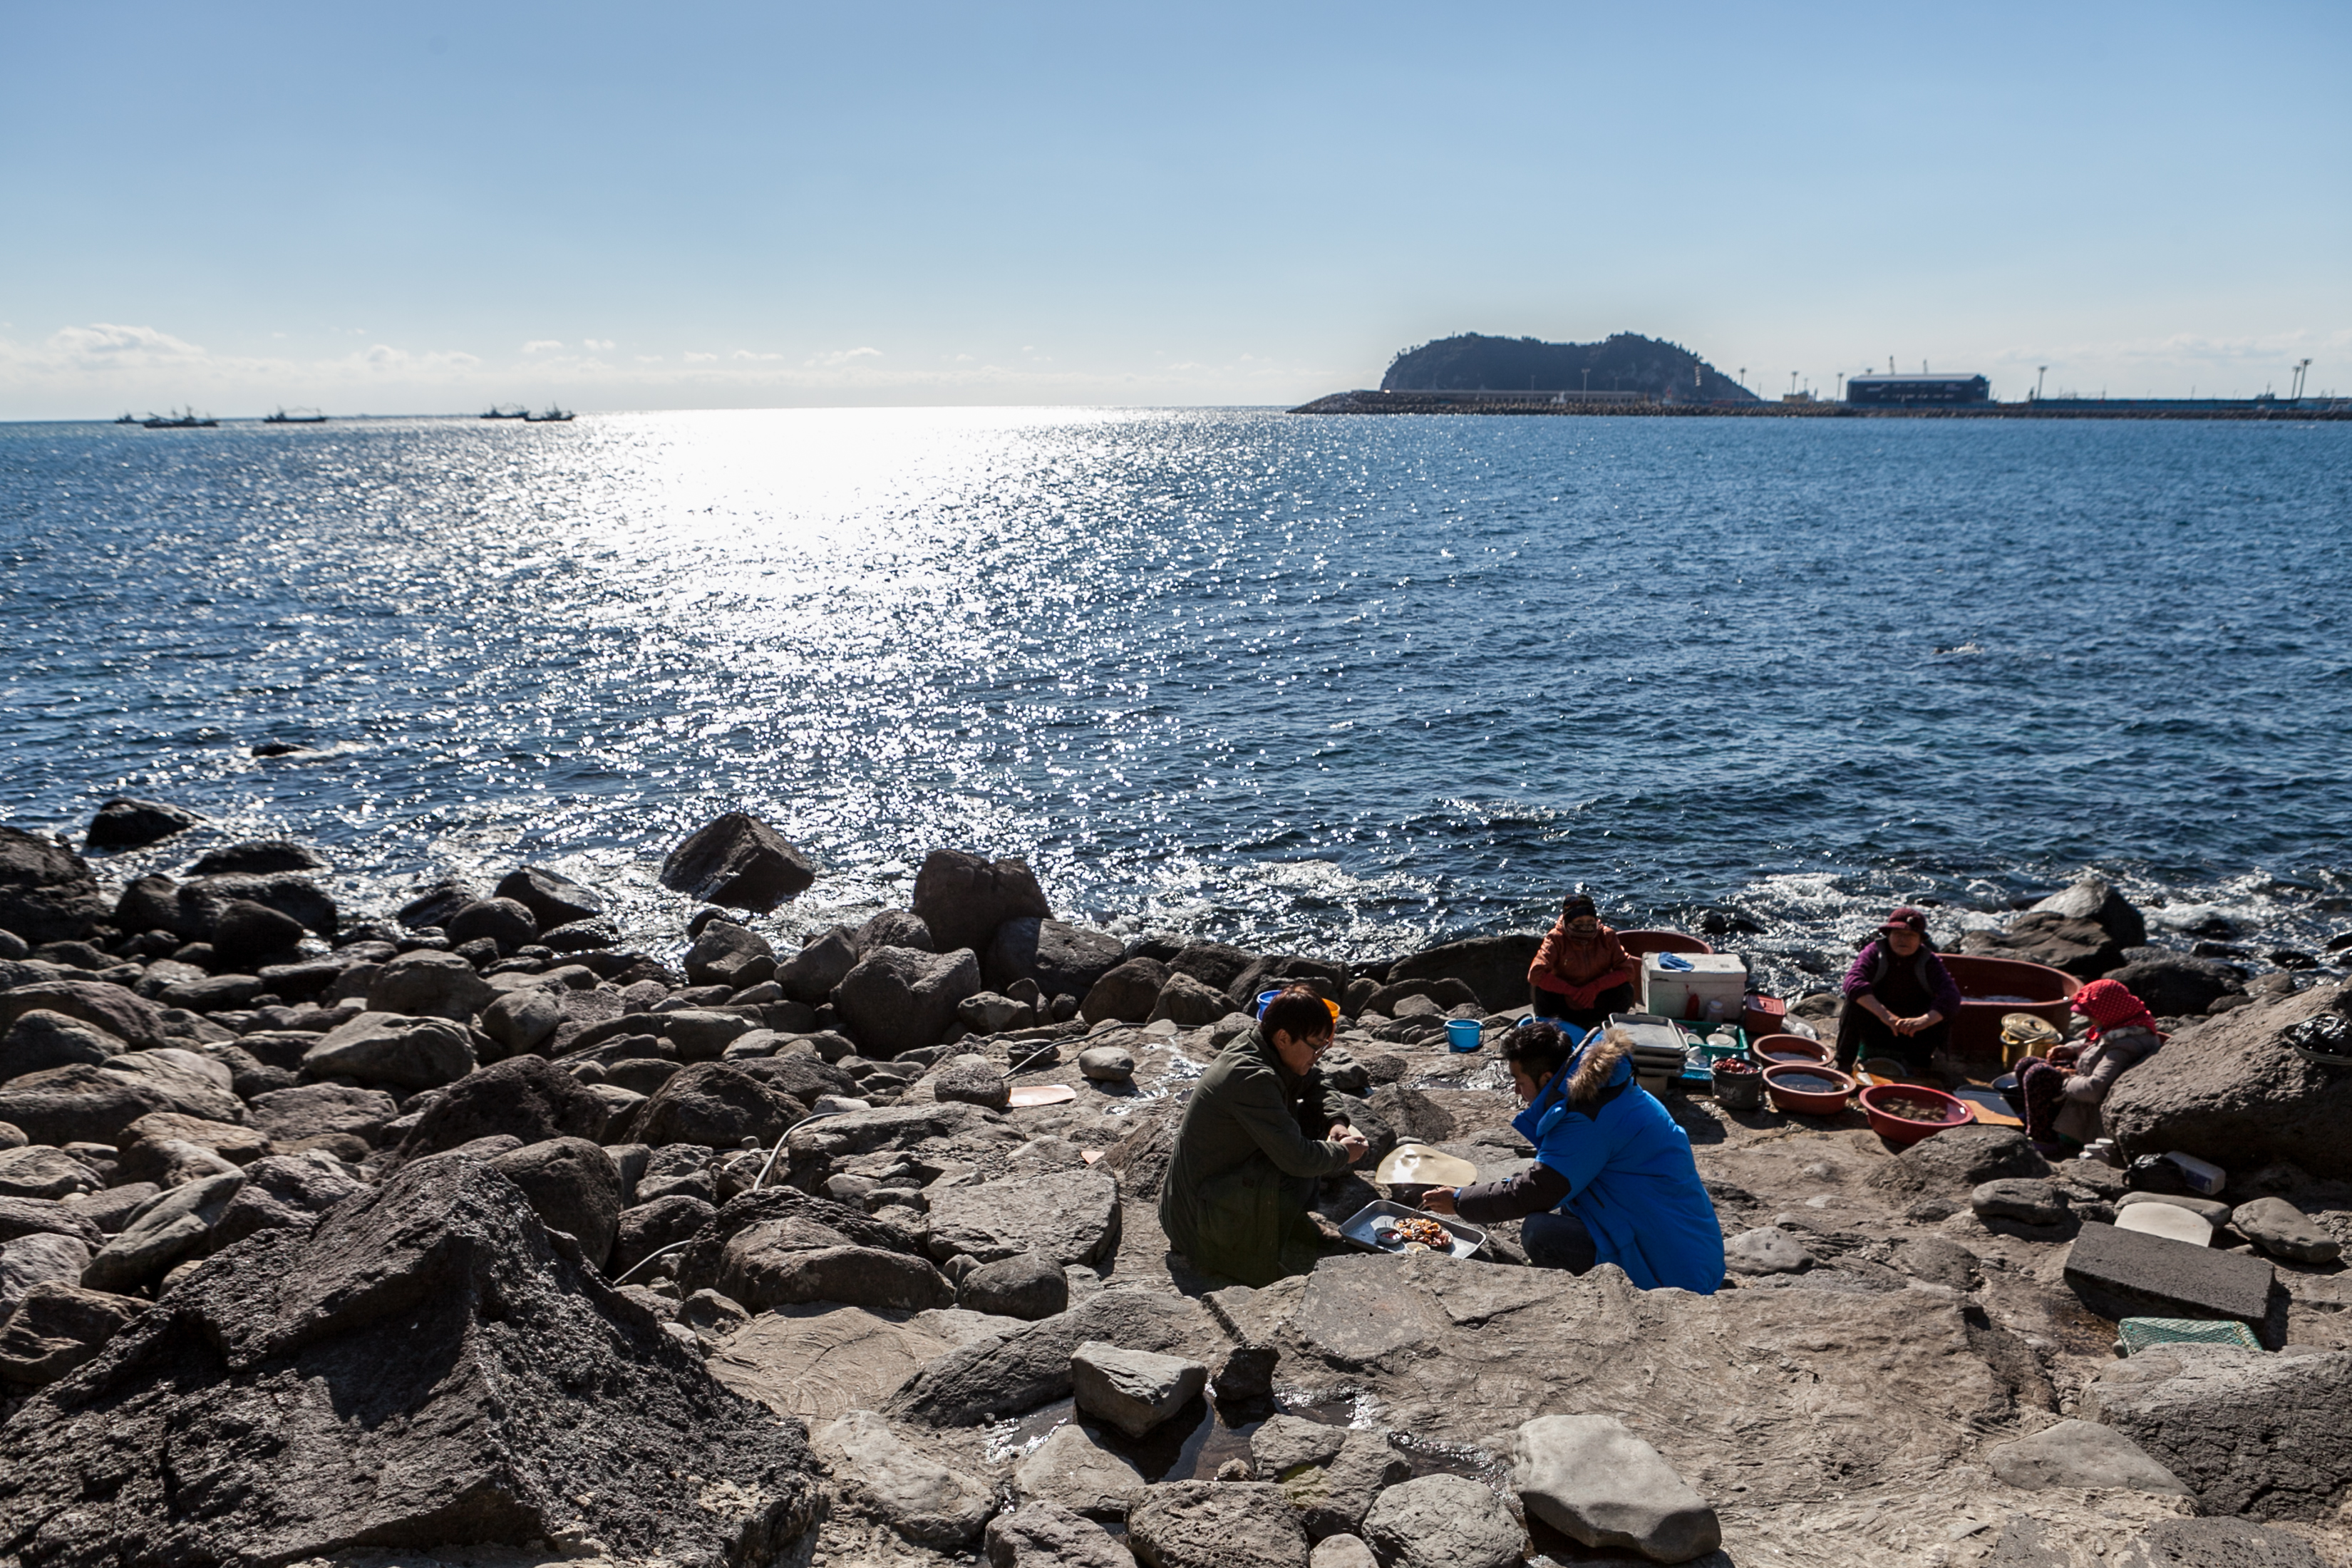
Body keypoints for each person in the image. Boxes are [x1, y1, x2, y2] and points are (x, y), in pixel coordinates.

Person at [1423, 1020, 1723, 1294]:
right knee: (1568, 1208)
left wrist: (1460, 1201)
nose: (1515, 1090)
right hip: (1687, 1247)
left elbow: (1536, 1192)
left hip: (1673, 1273)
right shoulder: (1609, 1090)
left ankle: (1588, 1304)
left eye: (1519, 1080)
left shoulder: (1586, 1120)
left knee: (1540, 1232)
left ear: (1547, 1077)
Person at [1159, 986, 1370, 1286]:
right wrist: (1343, 1154)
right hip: (1196, 1223)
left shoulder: (1266, 1046)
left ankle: (1289, 1224)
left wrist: (1336, 1121)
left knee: (1310, 1121)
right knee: (1298, 1155)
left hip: (1223, 1184)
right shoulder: (1249, 1076)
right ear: (1284, 1038)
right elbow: (1297, 1158)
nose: (1318, 1056)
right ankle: (1249, 1262)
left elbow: (1316, 1080)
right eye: (1315, 1047)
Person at [2016, 977, 2164, 1157]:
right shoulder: (2123, 1024)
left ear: (2108, 1011)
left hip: (2088, 1111)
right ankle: (2033, 1116)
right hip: (2079, 1085)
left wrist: (2065, 1076)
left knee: (2038, 1075)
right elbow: (2097, 1046)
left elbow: (2094, 1090)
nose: (2088, 1018)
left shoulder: (2126, 1046)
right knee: (2027, 1063)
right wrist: (2072, 1049)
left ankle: (2044, 1139)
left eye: (2091, 1014)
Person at [1835, 907, 1963, 1082]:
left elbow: (1951, 996)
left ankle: (1919, 1068)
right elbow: (1853, 982)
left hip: (1913, 1031)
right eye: (1898, 934)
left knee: (1942, 1012)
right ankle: (1843, 1066)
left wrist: (1924, 1021)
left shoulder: (1930, 961)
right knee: (1854, 1001)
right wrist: (1885, 1016)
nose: (1903, 940)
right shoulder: (1874, 952)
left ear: (1920, 940)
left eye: (1910, 935)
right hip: (1878, 1024)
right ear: (1889, 935)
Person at [1527, 894, 1639, 1028]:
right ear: (1568, 922)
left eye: (1590, 922)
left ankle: (1604, 1025)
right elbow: (1535, 974)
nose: (1585, 926)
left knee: (1626, 989)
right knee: (1539, 988)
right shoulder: (1556, 939)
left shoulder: (1607, 936)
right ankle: (1551, 1028)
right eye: (1579, 923)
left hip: (1596, 1001)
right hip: (1565, 1004)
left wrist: (1594, 988)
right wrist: (1572, 992)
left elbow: (1628, 971)